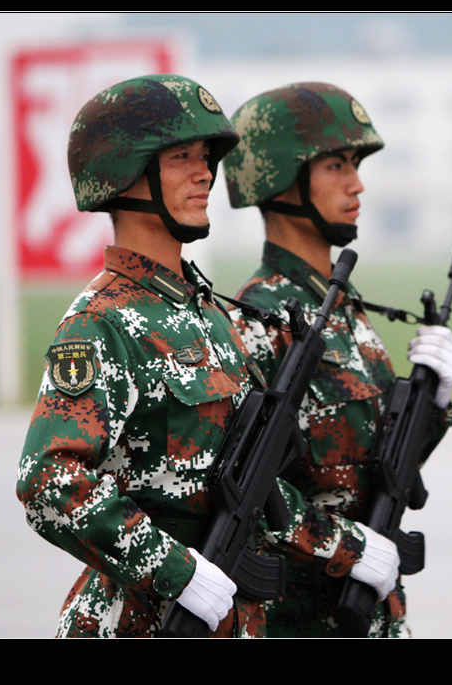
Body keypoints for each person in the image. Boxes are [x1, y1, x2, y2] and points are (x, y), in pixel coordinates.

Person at [17, 74, 267, 637]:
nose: (205, 172)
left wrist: (342, 544)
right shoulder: (101, 320)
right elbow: (47, 479)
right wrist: (177, 572)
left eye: (206, 156)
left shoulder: (206, 315)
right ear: (123, 173)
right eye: (182, 156)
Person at [223, 82, 452, 637]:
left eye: (355, 164)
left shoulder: (343, 311)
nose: (357, 184)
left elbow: (379, 468)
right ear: (279, 179)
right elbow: (245, 493)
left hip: (374, 616)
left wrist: (437, 404)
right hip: (301, 622)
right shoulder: (260, 319)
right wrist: (350, 548)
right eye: (336, 165)